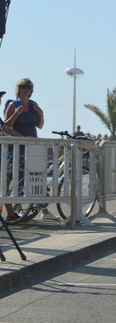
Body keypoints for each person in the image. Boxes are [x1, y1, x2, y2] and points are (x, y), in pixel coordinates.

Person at [3, 78, 58, 220]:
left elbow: (40, 126)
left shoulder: (34, 105)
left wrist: (41, 114)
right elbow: (6, 127)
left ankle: (44, 212)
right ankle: (17, 210)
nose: (26, 89)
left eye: (29, 87)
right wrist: (17, 114)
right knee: (13, 177)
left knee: (37, 177)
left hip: (33, 148)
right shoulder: (12, 104)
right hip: (17, 148)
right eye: (23, 86)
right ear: (18, 89)